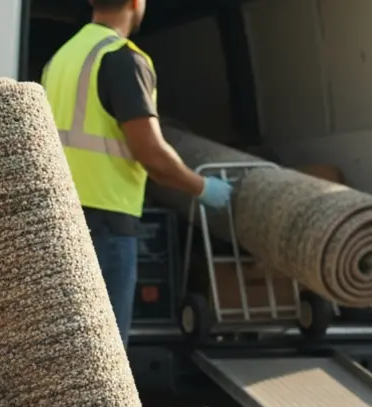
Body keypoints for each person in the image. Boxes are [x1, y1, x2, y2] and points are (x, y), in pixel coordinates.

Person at [42, 0, 233, 346]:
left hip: (56, 218)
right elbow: (152, 155)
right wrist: (202, 187)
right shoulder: (122, 59)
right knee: (105, 351)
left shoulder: (60, 58)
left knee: (67, 347)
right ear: (135, 3)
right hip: (106, 221)